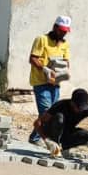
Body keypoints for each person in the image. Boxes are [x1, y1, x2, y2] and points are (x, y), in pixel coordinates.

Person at [35, 87, 88, 158]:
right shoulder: (60, 105)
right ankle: (55, 148)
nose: (81, 110)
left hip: (66, 134)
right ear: (72, 103)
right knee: (59, 118)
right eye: (78, 107)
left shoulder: (87, 108)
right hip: (52, 131)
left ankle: (63, 148)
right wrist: (47, 140)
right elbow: (37, 123)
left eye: (82, 108)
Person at [28, 15, 72, 143]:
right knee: (46, 112)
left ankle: (35, 137)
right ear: (55, 27)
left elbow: (66, 62)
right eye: (61, 31)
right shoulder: (42, 40)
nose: (63, 33)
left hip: (55, 83)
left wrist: (63, 72)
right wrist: (45, 69)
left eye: (65, 31)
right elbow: (33, 58)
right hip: (40, 82)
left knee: (49, 114)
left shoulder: (65, 44)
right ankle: (48, 140)